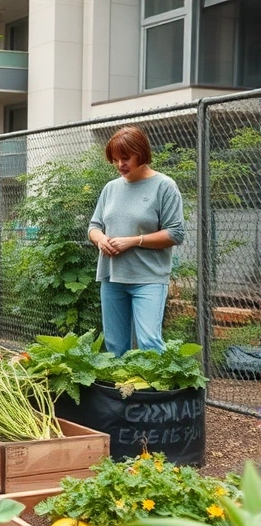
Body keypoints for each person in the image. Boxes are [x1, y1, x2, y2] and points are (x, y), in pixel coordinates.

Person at [88, 126, 186, 356]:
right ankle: (123, 391)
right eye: (115, 159)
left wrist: (133, 241)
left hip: (148, 278)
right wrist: (101, 239)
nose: (120, 164)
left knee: (150, 343)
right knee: (114, 347)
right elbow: (94, 227)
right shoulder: (110, 188)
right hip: (112, 277)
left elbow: (175, 233)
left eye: (125, 158)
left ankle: (158, 391)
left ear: (141, 153)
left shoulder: (165, 186)